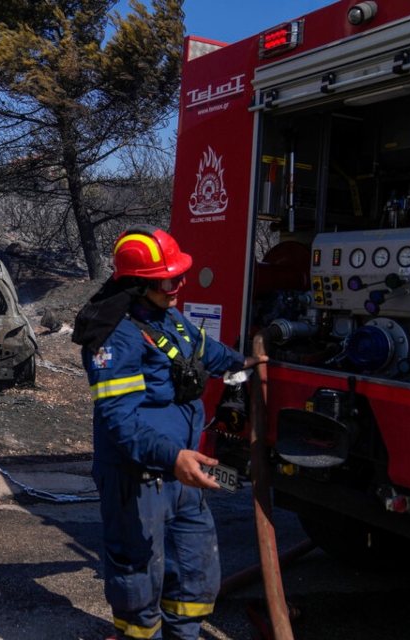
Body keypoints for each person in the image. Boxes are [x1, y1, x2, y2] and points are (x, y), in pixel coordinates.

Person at [72, 227, 266, 640]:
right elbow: (119, 421)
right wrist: (172, 458)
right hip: (138, 476)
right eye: (169, 279)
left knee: (195, 569)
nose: (180, 285)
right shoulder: (114, 337)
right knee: (137, 579)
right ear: (139, 284)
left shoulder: (165, 315)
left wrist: (245, 361)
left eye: (180, 275)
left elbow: (204, 351)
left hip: (181, 471)